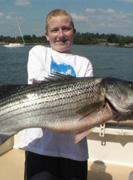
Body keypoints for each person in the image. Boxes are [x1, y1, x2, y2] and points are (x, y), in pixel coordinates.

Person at [19, 9, 93, 180]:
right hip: (40, 147)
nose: (61, 34)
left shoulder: (84, 63)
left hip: (75, 152)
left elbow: (86, 103)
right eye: (55, 30)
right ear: (47, 35)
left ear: (74, 33)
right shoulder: (39, 52)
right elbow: (42, 89)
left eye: (66, 28)